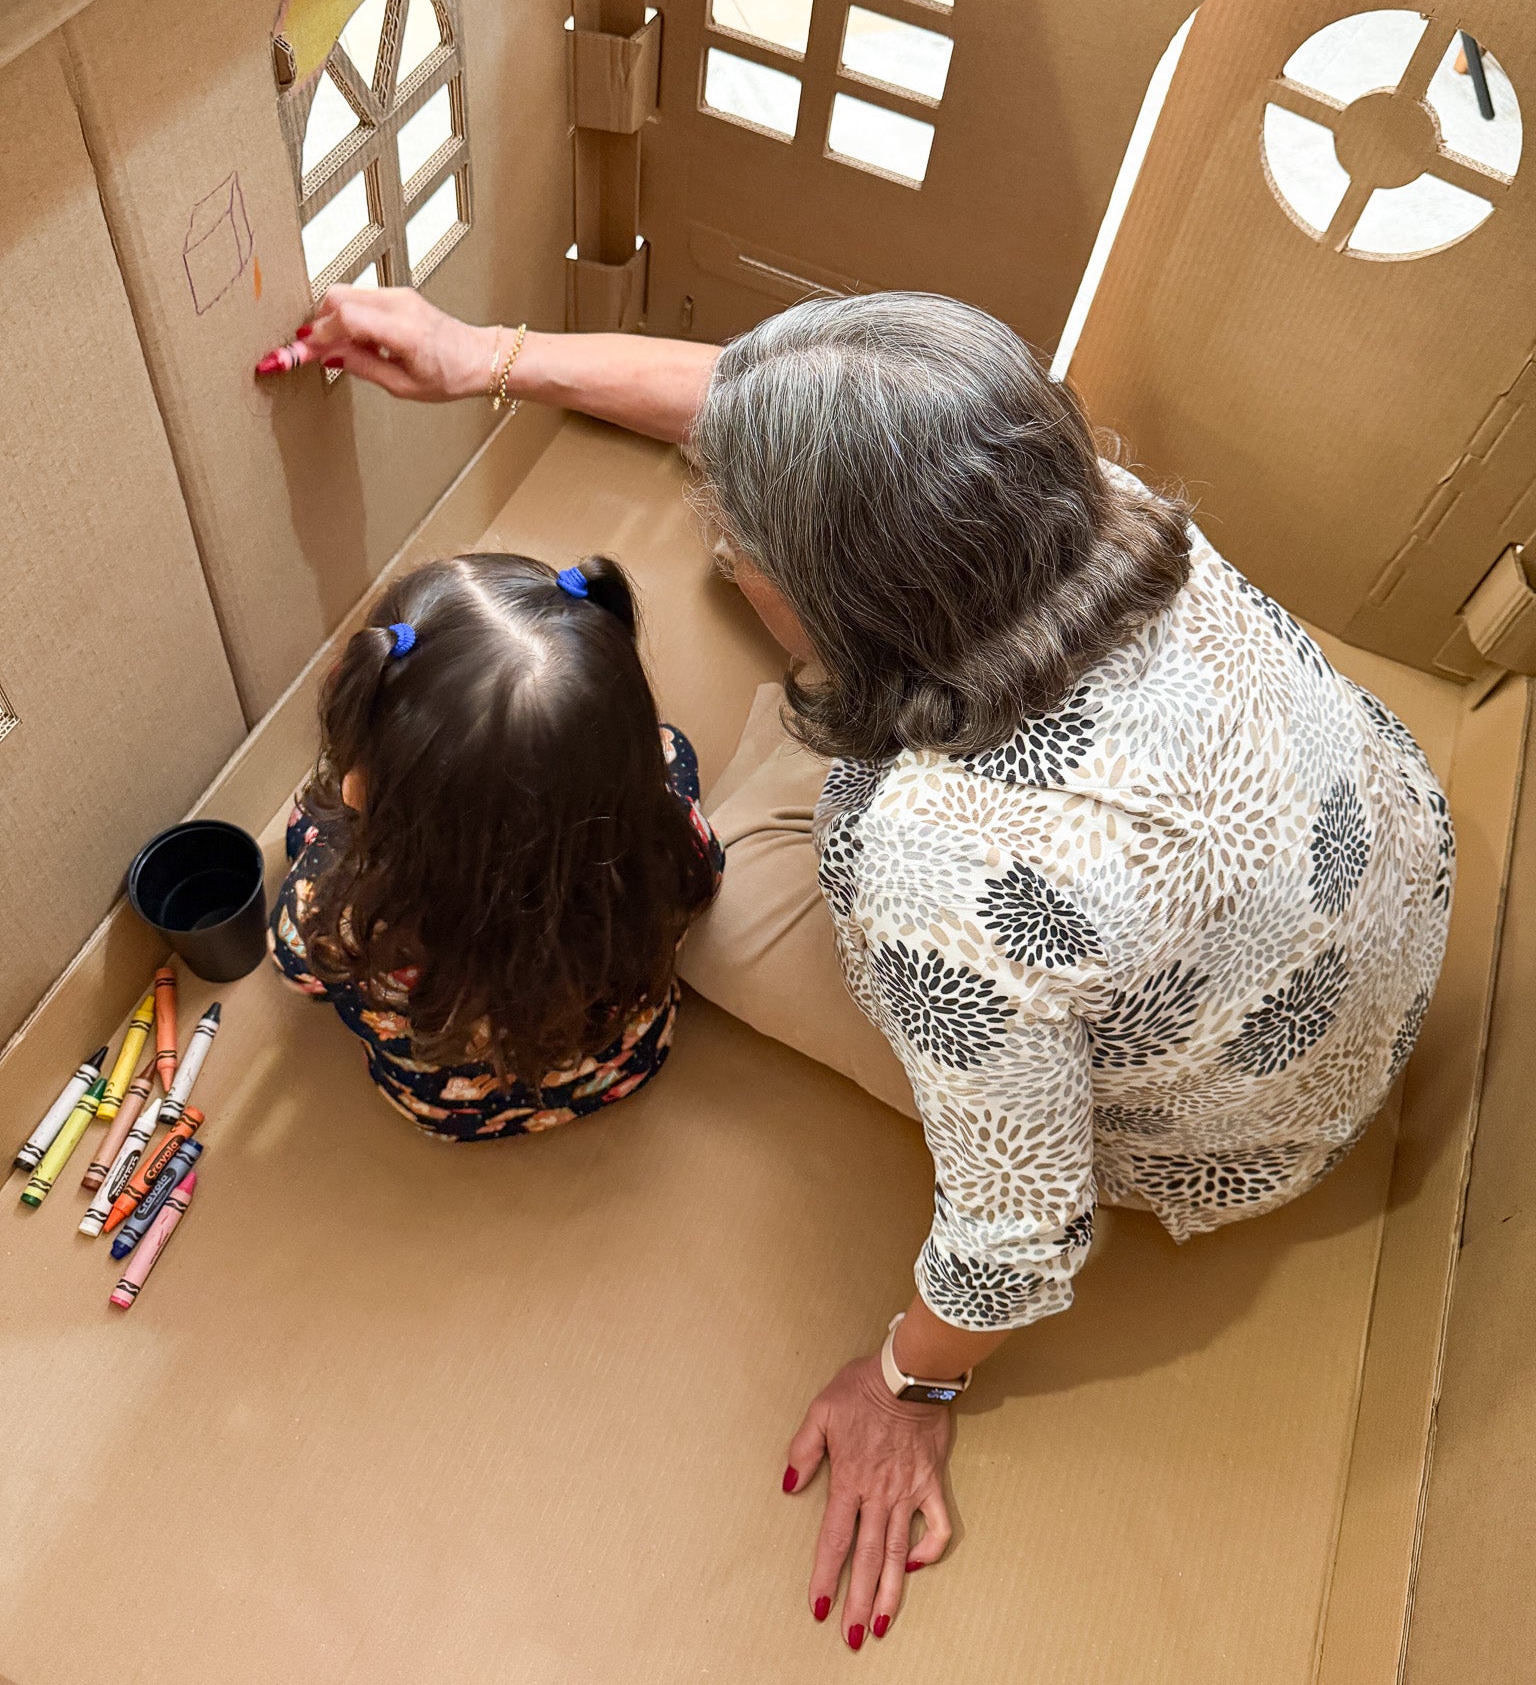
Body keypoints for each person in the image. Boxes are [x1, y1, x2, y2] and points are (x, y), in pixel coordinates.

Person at [261, 286, 1452, 1647]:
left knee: (721, 922)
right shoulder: (1089, 497)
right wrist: (490, 356)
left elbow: (1025, 1226)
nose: (720, 551)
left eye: (741, 544)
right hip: (1370, 891)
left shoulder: (931, 871)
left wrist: (909, 1384)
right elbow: (791, 424)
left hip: (1233, 1126)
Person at [269, 551, 722, 1140]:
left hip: (451, 1114)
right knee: (674, 750)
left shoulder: (348, 928)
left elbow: (299, 968)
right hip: (626, 1069)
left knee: (312, 824)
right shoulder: (668, 856)